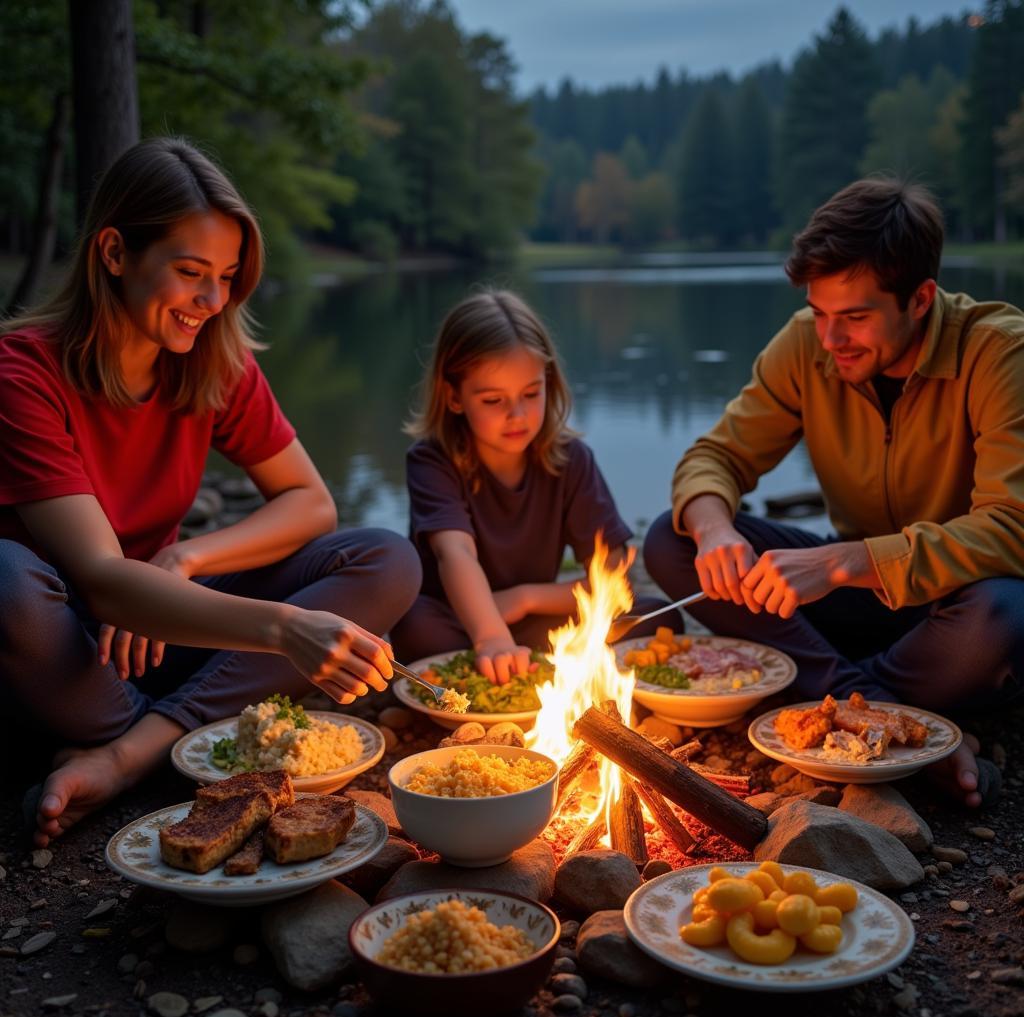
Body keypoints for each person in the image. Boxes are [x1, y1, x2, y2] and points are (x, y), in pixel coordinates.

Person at [0, 138, 421, 847]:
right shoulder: (23, 375)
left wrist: (186, 558)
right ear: (113, 253)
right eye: (191, 272)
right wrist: (284, 628)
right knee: (6, 582)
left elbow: (310, 502)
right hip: (72, 651)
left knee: (385, 558)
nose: (213, 300)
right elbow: (103, 582)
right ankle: (181, 728)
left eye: (226, 276)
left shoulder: (209, 360)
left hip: (168, 639)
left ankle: (131, 755)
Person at [643, 178, 1024, 808]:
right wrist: (715, 530)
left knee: (1005, 618)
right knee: (670, 536)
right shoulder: (804, 346)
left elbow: (1012, 526)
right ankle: (892, 718)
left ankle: (828, 704)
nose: (829, 338)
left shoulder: (999, 354)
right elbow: (716, 457)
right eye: (820, 313)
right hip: (861, 604)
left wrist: (846, 560)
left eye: (854, 317)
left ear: (921, 298)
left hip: (955, 604)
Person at [391, 289, 680, 682]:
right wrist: (491, 633)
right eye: (494, 400)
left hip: (533, 619)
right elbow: (454, 551)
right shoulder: (432, 460)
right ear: (454, 397)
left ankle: (523, 662)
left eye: (531, 393)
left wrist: (524, 599)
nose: (518, 415)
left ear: (549, 382)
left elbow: (614, 574)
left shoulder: (571, 460)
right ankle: (514, 659)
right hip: (461, 621)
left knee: (654, 614)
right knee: (415, 627)